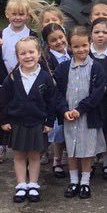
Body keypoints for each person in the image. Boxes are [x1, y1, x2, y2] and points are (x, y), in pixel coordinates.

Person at [0, 36, 58, 205]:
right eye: (23, 53)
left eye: (31, 52)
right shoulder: (12, 78)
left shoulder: (45, 78)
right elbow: (3, 101)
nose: (28, 56)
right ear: (17, 57)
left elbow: (51, 102)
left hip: (37, 123)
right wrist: (4, 120)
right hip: (17, 122)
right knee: (18, 155)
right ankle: (21, 184)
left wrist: (49, 122)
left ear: (39, 54)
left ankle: (33, 183)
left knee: (34, 155)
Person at [54, 27, 107, 199]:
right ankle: (73, 180)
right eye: (76, 47)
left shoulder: (96, 68)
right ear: (70, 47)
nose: (81, 50)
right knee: (72, 150)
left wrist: (80, 109)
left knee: (86, 151)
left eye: (84, 45)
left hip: (87, 117)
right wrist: (64, 110)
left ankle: (85, 181)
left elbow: (97, 94)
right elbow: (58, 94)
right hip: (69, 117)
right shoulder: (63, 69)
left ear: (89, 44)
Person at [0, 0, 42, 163]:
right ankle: (2, 144)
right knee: (3, 109)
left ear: (27, 15)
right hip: (4, 79)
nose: (17, 17)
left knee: (26, 109)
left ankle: (34, 144)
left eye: (21, 14)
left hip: (26, 78)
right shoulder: (1, 33)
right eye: (14, 14)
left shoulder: (31, 35)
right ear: (7, 14)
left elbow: (34, 56)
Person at [89, 19, 107, 180]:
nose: (100, 35)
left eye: (105, 32)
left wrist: (106, 87)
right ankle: (92, 160)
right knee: (92, 131)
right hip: (91, 100)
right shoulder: (86, 52)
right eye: (96, 32)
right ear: (91, 34)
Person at [43, 23, 70, 177]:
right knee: (58, 132)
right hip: (56, 99)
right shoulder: (48, 59)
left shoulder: (71, 53)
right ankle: (57, 160)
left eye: (61, 37)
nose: (59, 42)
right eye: (54, 40)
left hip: (72, 96)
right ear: (47, 43)